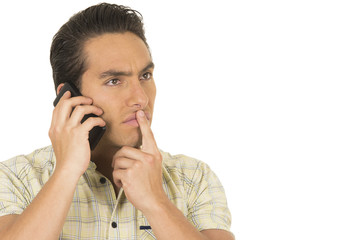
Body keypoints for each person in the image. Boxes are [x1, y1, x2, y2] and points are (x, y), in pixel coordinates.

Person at [0, 3, 233, 239]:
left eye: (145, 76)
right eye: (114, 81)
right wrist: (66, 172)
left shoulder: (193, 177)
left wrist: (156, 202)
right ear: (69, 97)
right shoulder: (15, 177)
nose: (141, 98)